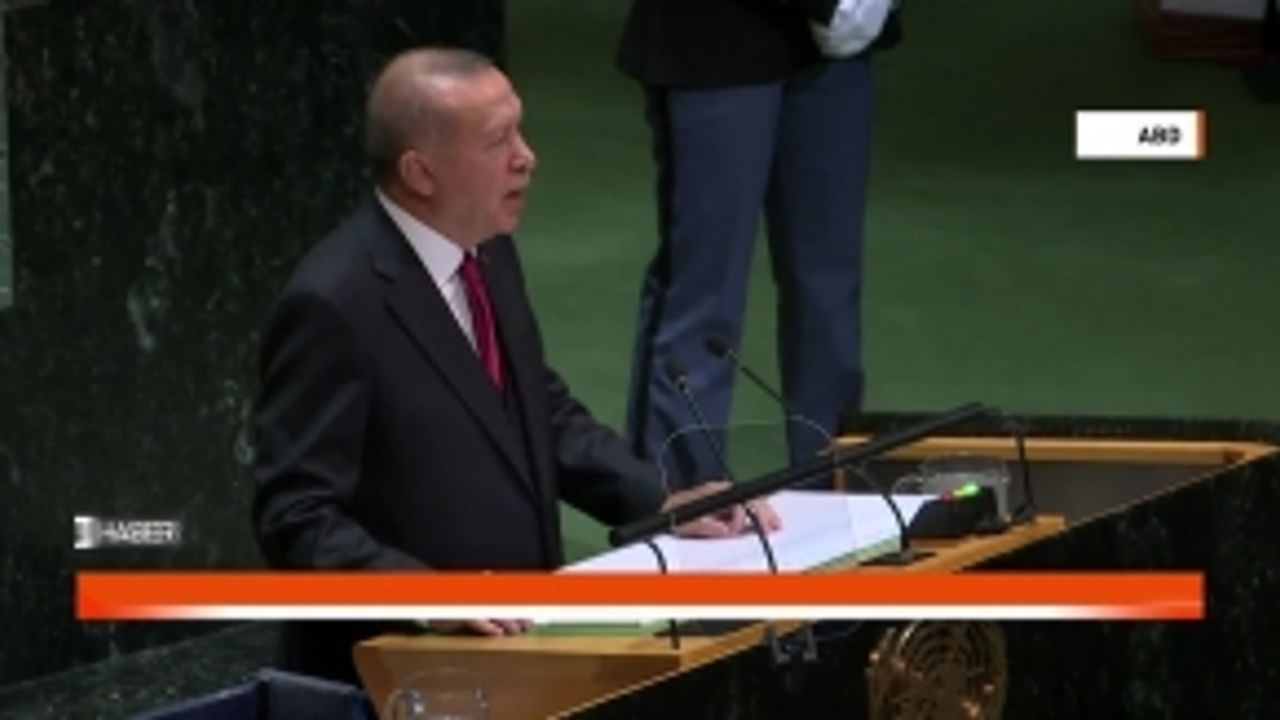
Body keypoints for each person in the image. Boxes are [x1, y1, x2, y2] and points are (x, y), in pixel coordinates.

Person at [251, 48, 779, 686]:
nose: (527, 156)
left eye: (519, 131)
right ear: (420, 172)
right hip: (401, 674)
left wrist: (661, 501)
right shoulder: (335, 303)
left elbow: (537, 412)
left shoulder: (489, 251)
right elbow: (296, 515)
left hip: (520, 646)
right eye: (497, 140)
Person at [617, 0, 900, 485]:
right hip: (720, 31)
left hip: (837, 47)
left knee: (829, 291)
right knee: (705, 291)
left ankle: (831, 495)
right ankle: (680, 502)